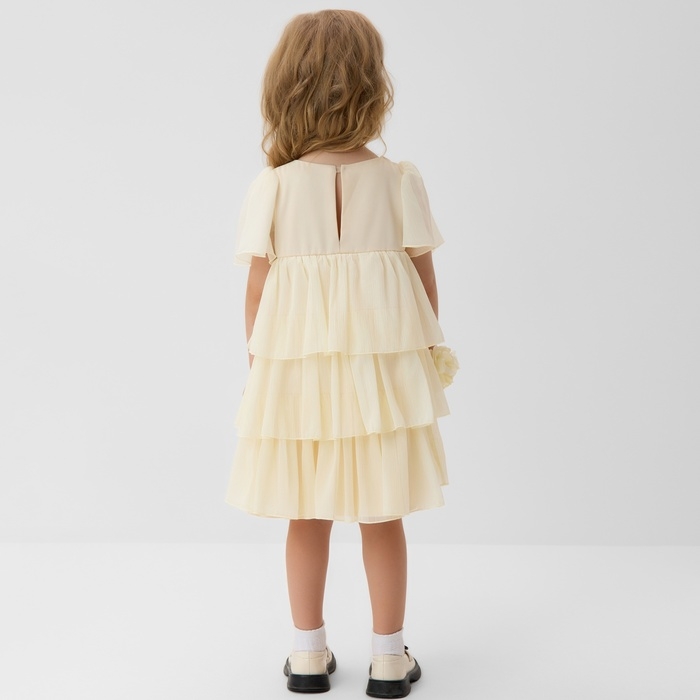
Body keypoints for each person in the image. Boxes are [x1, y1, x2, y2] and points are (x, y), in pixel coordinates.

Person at [225, 9, 450, 698]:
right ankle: (388, 659)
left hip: (299, 381)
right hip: (382, 381)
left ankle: (307, 654)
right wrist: (423, 357)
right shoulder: (399, 180)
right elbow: (424, 287)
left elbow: (258, 291)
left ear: (284, 88)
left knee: (307, 513)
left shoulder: (272, 187)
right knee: (383, 513)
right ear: (372, 87)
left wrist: (262, 373)